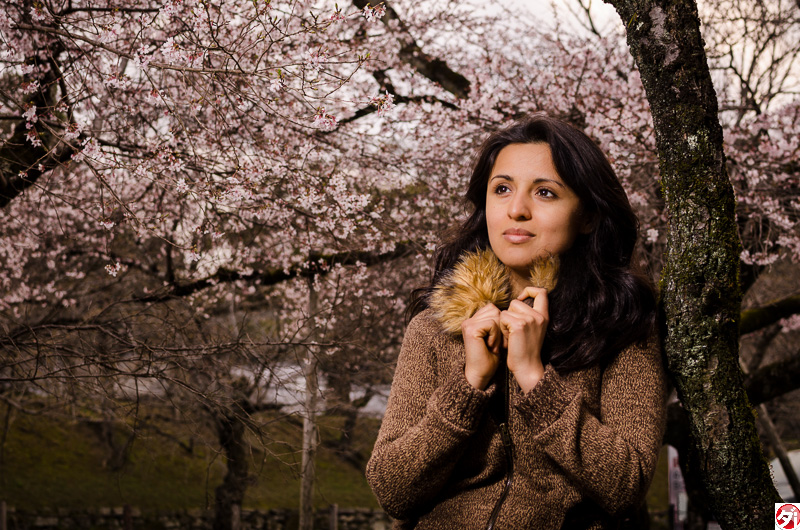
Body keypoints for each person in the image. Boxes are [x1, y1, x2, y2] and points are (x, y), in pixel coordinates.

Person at [365, 114, 668, 530]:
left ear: (588, 216)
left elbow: (625, 484)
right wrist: (469, 385)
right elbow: (392, 489)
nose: (516, 210)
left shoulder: (622, 324)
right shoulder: (435, 328)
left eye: (545, 193)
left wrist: (534, 378)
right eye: (502, 189)